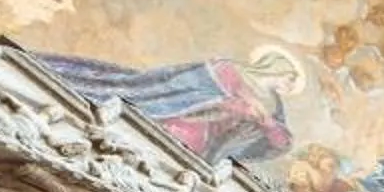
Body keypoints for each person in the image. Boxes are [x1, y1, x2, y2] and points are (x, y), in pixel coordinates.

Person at [37, 47, 304, 165]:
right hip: (180, 119)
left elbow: (282, 142)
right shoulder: (228, 69)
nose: (289, 87)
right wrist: (234, 106)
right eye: (289, 78)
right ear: (276, 69)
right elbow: (187, 86)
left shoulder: (272, 105)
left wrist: (266, 123)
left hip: (205, 146)